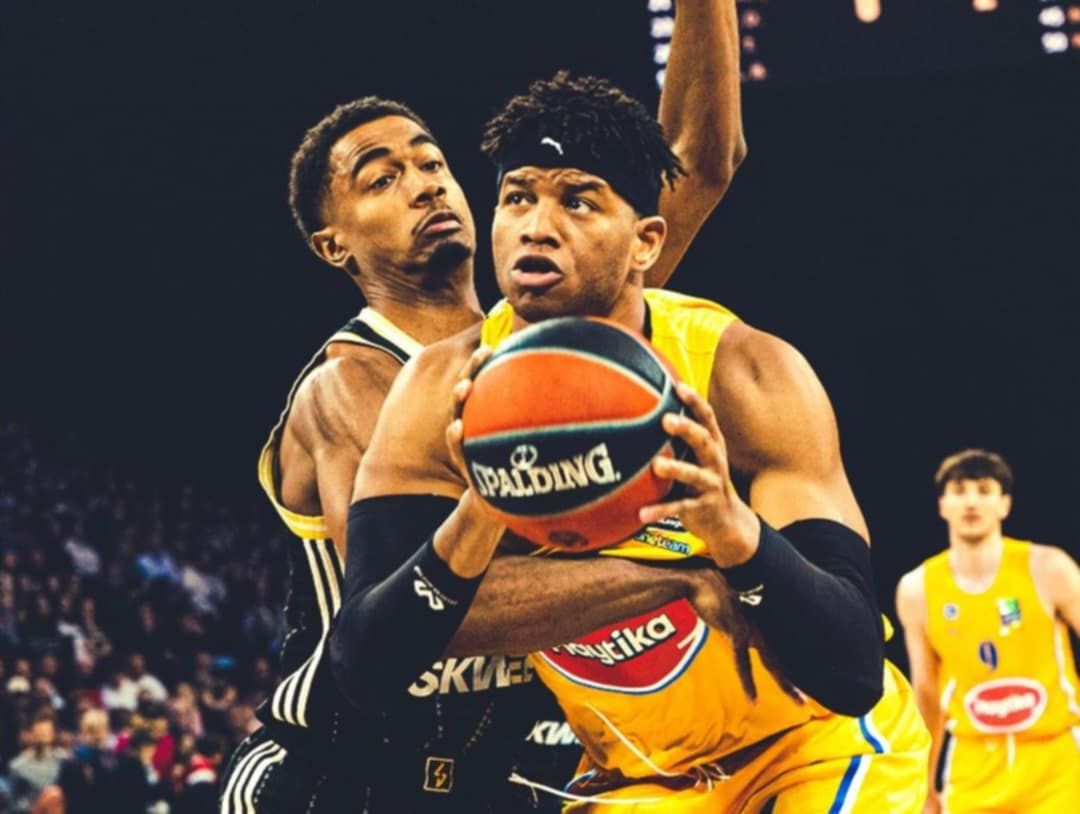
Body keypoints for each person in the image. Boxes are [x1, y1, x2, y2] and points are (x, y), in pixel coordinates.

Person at [339, 71, 932, 812]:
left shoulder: (742, 374)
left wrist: (735, 532)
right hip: (641, 780)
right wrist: (482, 512)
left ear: (647, 240)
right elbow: (364, 661)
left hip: (812, 747)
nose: (536, 226)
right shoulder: (438, 392)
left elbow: (851, 670)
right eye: (517, 198)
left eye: (577, 201)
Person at [220, 3, 747, 811]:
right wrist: (682, 576)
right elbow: (422, 614)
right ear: (334, 244)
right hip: (338, 772)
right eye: (382, 179)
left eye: (431, 162)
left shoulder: (551, 336)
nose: (424, 183)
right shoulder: (349, 385)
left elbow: (696, 166)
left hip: (504, 775)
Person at [896, 450, 1080, 813]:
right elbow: (927, 693)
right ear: (942, 505)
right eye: (959, 490)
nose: (971, 502)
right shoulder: (917, 589)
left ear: (1004, 504)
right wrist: (924, 785)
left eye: (984, 490)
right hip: (971, 767)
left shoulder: (1048, 567)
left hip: (1056, 764)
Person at [6, 714, 64, 813]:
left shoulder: (63, 760)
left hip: (58, 807)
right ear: (31, 734)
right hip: (30, 810)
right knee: (53, 794)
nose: (43, 734)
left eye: (46, 732)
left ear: (53, 734)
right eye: (40, 732)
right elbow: (13, 802)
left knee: (55, 794)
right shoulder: (18, 766)